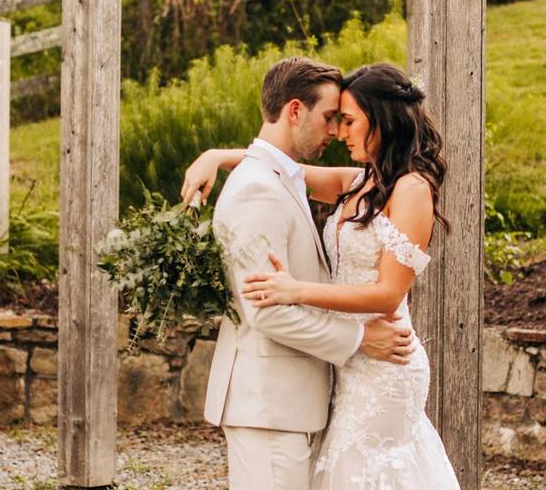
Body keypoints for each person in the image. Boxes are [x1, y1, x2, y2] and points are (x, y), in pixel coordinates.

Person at [182, 61, 459, 489]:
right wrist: (215, 157)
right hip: (349, 365)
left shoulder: (411, 189)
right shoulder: (358, 182)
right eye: (335, 119)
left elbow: (388, 293)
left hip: (386, 362)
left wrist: (296, 290)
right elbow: (276, 167)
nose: (340, 132)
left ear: (381, 120)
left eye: (348, 121)